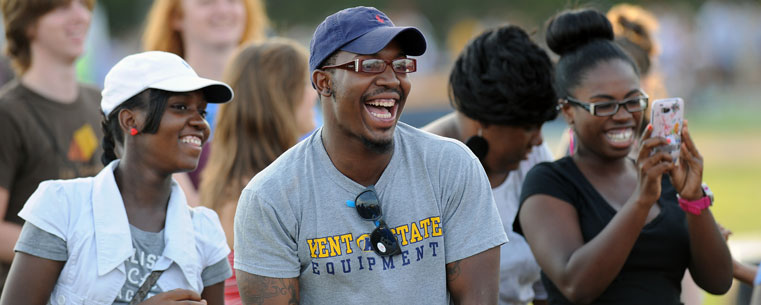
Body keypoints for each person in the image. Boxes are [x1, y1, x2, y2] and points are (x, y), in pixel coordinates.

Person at [233, 6, 507, 304]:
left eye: (400, 65)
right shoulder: (271, 198)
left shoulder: (451, 166)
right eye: (371, 65)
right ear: (324, 82)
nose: (393, 80)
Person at [515, 8, 733, 304]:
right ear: (568, 111)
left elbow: (718, 281)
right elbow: (576, 285)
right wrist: (642, 200)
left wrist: (694, 198)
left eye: (633, 101)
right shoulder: (549, 183)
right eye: (603, 105)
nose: (622, 116)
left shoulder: (665, 180)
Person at [0, 51, 234, 305]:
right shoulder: (61, 206)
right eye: (180, 107)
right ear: (130, 120)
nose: (200, 122)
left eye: (201, 111)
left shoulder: (205, 232)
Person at [422, 25, 556, 305]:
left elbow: (547, 284)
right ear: (482, 120)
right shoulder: (421, 169)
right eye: (528, 126)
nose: (539, 139)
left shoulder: (534, 159)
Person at [199, 38, 316, 304]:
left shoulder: (226, 182)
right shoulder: (263, 194)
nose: (315, 93)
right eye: (306, 83)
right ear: (281, 98)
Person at [0, 0, 102, 291]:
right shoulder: (8, 114)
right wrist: (77, 252)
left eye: (84, 5)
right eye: (61, 7)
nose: (81, 16)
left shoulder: (102, 103)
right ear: (28, 24)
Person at [143, 0, 270, 205]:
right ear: (177, 17)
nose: (222, 10)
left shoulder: (275, 92)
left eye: (232, 1)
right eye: (206, 2)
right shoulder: (154, 100)